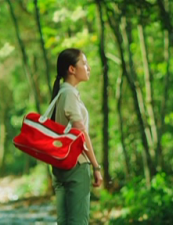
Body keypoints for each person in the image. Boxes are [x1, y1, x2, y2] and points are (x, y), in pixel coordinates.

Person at [50, 48, 103, 224]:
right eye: (84, 63)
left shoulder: (60, 93)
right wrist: (96, 166)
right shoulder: (69, 93)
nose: (88, 68)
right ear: (72, 69)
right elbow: (81, 131)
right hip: (76, 164)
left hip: (60, 166)